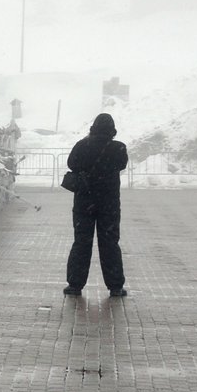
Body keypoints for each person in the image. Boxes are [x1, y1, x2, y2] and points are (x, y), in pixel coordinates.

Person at [63, 112, 128, 298]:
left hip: (85, 201)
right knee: (110, 243)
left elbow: (71, 163)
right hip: (109, 203)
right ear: (112, 130)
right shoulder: (118, 148)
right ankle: (115, 286)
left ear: (93, 127)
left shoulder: (82, 146)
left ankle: (75, 284)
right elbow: (121, 165)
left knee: (81, 242)